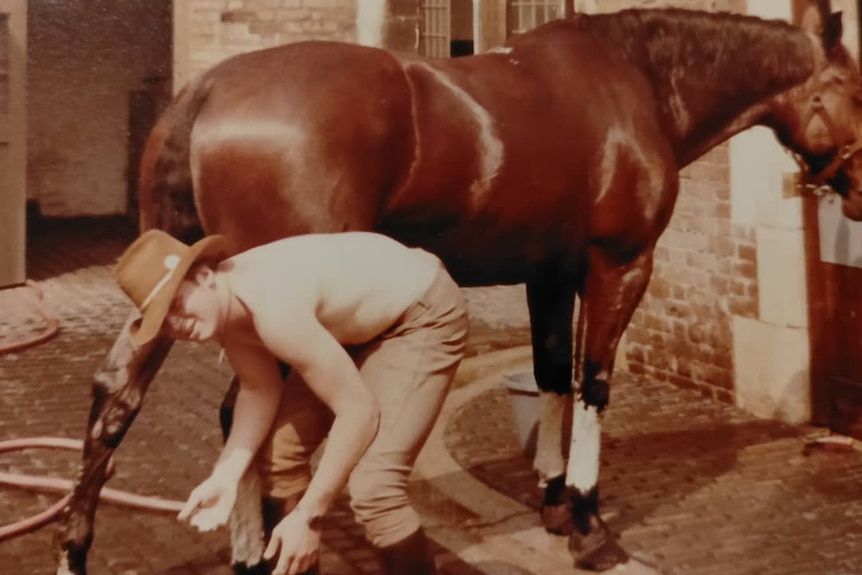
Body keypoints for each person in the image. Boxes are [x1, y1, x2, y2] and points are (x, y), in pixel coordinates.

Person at [113, 229, 469, 575]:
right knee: (279, 457)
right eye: (164, 322)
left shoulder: (271, 308)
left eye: (176, 303)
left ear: (204, 276)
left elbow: (359, 413)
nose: (178, 325)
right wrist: (225, 476)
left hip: (419, 312)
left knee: (375, 489)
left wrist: (309, 516)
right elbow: (258, 389)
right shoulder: (224, 307)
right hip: (352, 326)